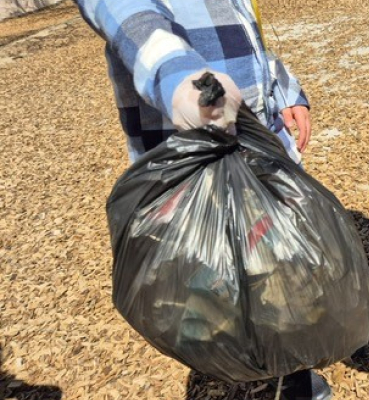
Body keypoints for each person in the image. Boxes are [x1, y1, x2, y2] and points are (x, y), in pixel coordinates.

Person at [73, 1, 328, 399]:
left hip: (263, 163)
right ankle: (251, 372)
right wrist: (183, 82)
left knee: (280, 279)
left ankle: (290, 377)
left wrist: (285, 88)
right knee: (215, 288)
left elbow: (249, 39)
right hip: (196, 175)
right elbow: (132, 20)